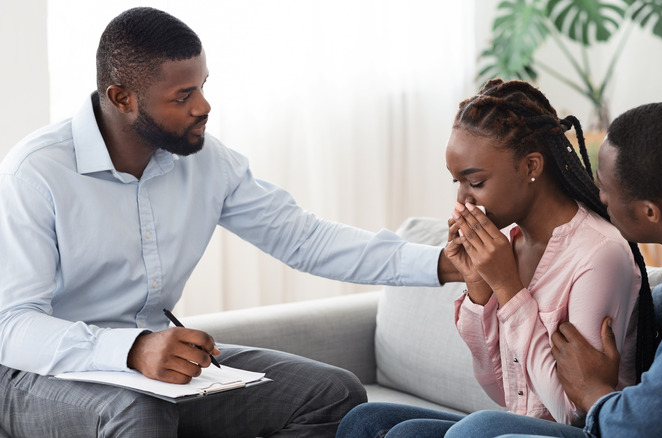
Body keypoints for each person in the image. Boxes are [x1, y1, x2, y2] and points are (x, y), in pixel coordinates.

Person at [0, 7, 461, 438]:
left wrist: (443, 263)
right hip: (38, 375)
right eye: (183, 95)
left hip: (155, 368)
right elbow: (12, 327)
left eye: (202, 85)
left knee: (333, 393)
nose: (204, 105)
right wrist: (133, 349)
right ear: (122, 98)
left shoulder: (207, 163)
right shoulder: (36, 173)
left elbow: (305, 239)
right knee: (140, 412)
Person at [336, 79, 657, 437]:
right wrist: (479, 289)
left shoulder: (599, 253)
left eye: (475, 182)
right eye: (456, 182)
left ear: (531, 166)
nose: (463, 200)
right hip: (519, 427)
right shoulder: (509, 245)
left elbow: (573, 412)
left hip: (586, 432)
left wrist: (508, 288)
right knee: (367, 422)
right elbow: (504, 392)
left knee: (473, 430)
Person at [443, 102, 662, 437]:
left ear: (649, 212)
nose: (597, 197)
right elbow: (647, 315)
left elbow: (640, 425)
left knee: (475, 431)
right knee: (397, 426)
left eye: (605, 188)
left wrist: (591, 389)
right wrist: (485, 285)